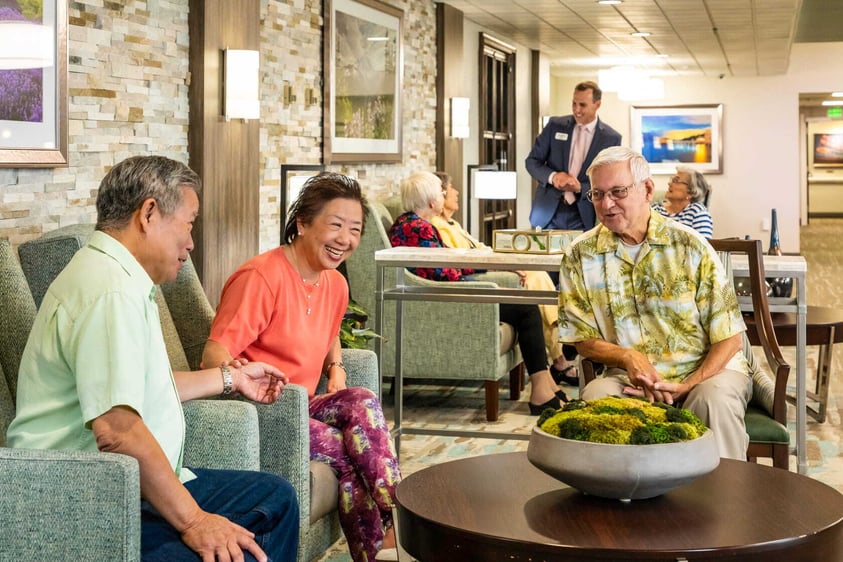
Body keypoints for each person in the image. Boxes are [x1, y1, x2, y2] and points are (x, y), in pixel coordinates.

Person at [6, 155, 299, 561]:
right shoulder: (109, 292)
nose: (191, 242)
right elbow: (117, 430)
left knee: (276, 498)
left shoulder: (116, 278)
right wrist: (196, 522)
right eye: (189, 223)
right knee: (240, 545)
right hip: (86, 497)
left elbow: (142, 384)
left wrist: (232, 379)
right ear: (148, 213)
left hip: (124, 487)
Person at [202, 173, 401, 562]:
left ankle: (393, 528)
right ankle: (387, 544)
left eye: (355, 229)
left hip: (304, 402)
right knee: (348, 449)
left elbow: (327, 330)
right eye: (336, 225)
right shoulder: (261, 277)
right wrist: (240, 374)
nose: (346, 238)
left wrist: (336, 365)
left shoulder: (334, 283)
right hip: (265, 408)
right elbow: (212, 354)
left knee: (361, 399)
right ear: (302, 223)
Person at [557, 146, 752, 460]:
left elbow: (730, 337)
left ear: (647, 189)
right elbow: (582, 339)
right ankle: (614, 505)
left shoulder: (691, 246)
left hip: (706, 374)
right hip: (627, 378)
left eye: (618, 191)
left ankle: (725, 503)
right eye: (597, 194)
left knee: (712, 401)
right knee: (597, 397)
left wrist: (690, 383)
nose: (606, 204)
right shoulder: (580, 255)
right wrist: (628, 357)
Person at [388, 171, 567, 413]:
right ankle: (541, 390)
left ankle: (544, 384)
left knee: (525, 304)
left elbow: (445, 266)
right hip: (447, 298)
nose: (444, 196)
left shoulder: (408, 223)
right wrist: (479, 278)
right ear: (432, 201)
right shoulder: (419, 228)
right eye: (441, 193)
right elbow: (443, 273)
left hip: (448, 292)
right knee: (526, 310)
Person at [431, 170, 578, 386]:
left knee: (538, 275)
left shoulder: (453, 224)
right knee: (534, 279)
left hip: (487, 266)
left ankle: (560, 348)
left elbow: (479, 248)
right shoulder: (438, 226)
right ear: (441, 195)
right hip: (480, 275)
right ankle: (559, 355)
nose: (457, 192)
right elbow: (462, 261)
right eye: (452, 188)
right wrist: (506, 266)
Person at [526, 81, 622, 233]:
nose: (576, 110)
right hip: (548, 213)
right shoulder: (555, 126)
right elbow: (532, 162)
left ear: (597, 104)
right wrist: (553, 176)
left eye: (582, 105)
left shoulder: (611, 138)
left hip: (584, 214)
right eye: (574, 103)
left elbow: (611, 180)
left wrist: (581, 188)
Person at [652, 166, 714, 238]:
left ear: (692, 192)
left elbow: (703, 247)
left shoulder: (698, 214)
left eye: (676, 181)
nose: (669, 183)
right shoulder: (656, 209)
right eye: (672, 180)